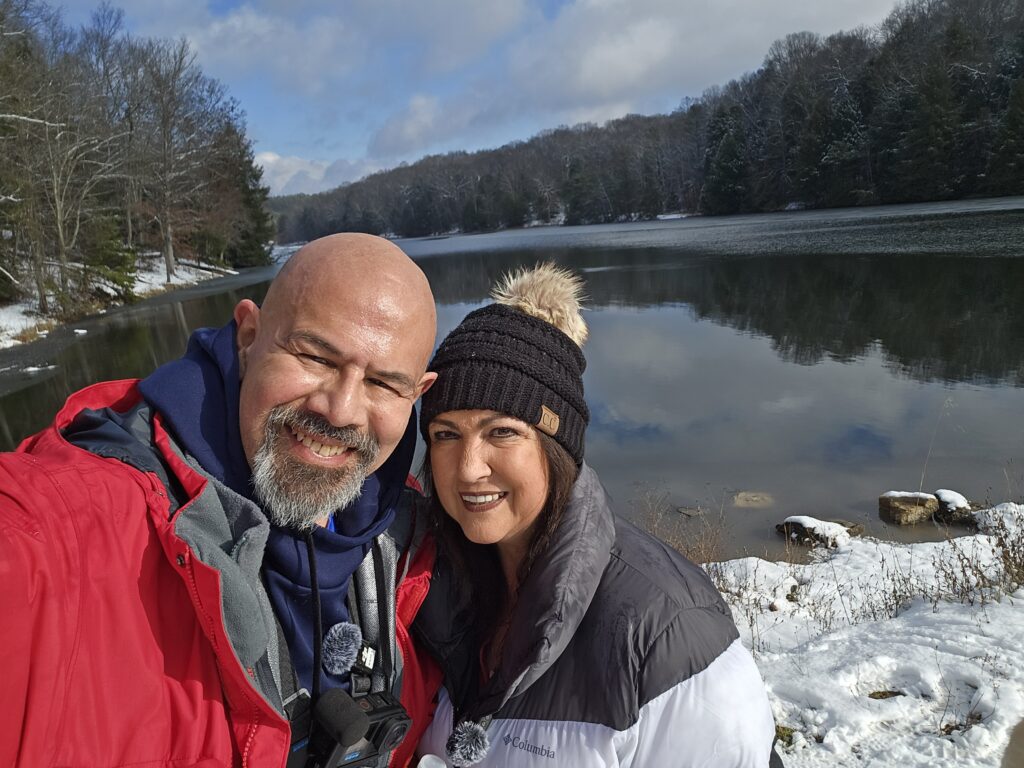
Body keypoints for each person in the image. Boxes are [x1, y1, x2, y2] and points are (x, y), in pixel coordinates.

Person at [0, 233, 440, 768]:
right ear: (248, 335)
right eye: (315, 356)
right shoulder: (75, 524)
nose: (341, 410)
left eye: (383, 384)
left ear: (417, 393)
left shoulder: (417, 540)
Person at [410, 263, 783, 766]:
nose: (469, 468)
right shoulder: (432, 586)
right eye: (445, 435)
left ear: (556, 447)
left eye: (502, 432)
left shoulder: (667, 637)